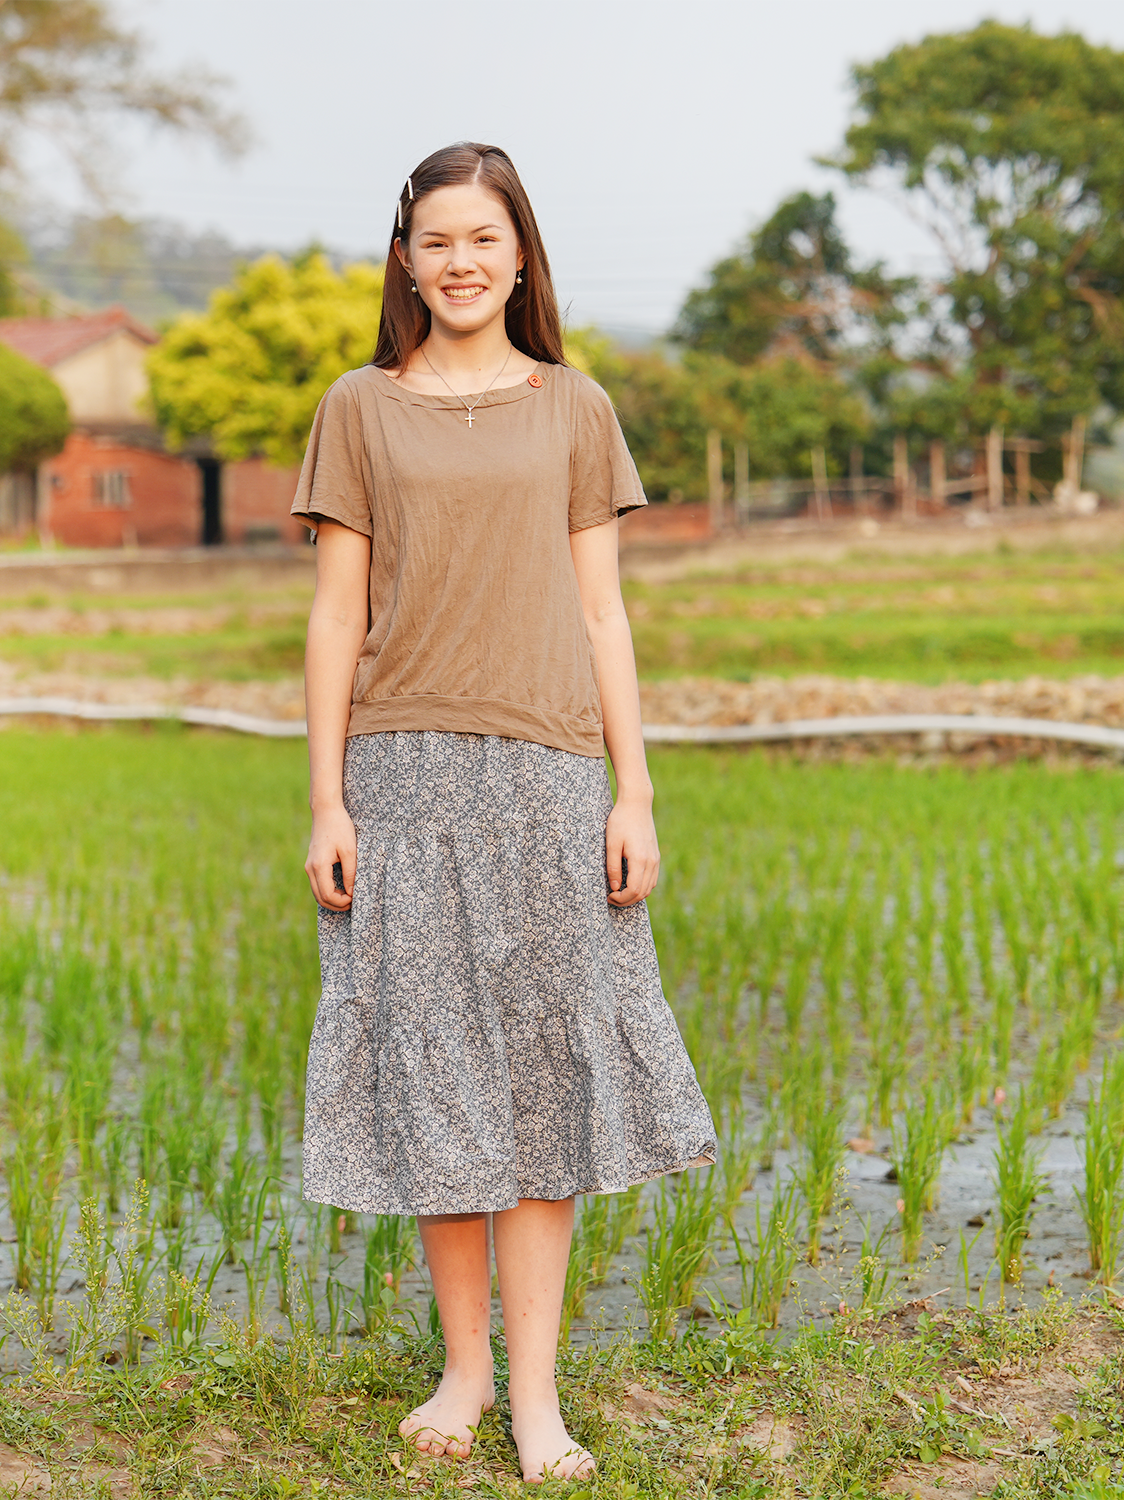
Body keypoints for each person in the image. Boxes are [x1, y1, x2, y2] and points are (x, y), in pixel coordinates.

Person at [292, 142, 719, 1484]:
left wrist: (634, 791)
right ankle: (462, 1374)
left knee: (543, 1080)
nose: (461, 261)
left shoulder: (576, 408)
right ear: (405, 260)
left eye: (485, 237)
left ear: (520, 253)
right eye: (437, 241)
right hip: (403, 777)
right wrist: (326, 801)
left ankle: (538, 1398)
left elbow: (604, 611)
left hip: (548, 777)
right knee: (437, 1072)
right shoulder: (359, 408)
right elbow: (334, 615)